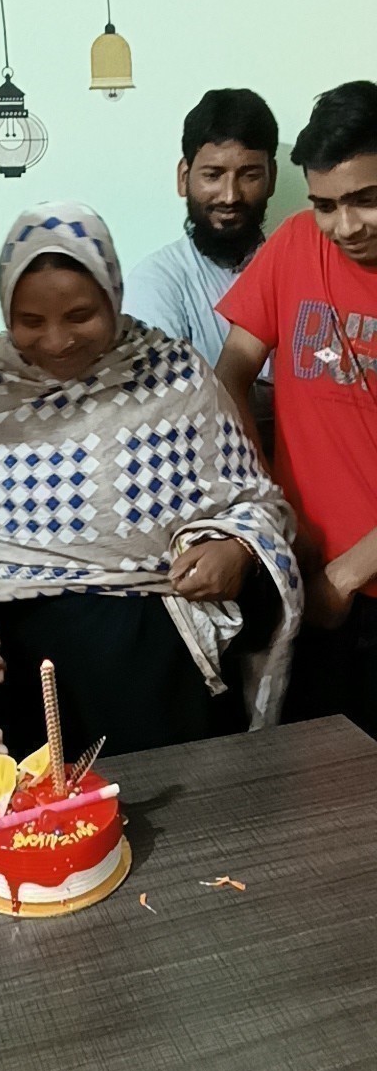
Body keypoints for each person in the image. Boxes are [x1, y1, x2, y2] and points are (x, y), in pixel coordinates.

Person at [0, 202, 301, 763]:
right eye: (31, 321)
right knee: (48, 817)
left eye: (81, 315)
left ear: (114, 296)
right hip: (25, 685)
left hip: (159, 678)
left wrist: (237, 550)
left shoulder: (174, 377)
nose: (57, 340)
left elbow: (258, 504)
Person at [215, 80, 377, 737]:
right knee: (311, 773)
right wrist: (268, 499)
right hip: (301, 579)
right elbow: (231, 370)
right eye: (326, 205)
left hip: (349, 584)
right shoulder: (294, 243)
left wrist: (348, 574)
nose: (346, 226)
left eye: (366, 199)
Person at [123, 88, 278, 366]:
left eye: (249, 176)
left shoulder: (296, 272)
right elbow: (161, 389)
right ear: (184, 178)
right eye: (213, 175)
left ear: (272, 179)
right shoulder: (157, 282)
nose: (230, 196)